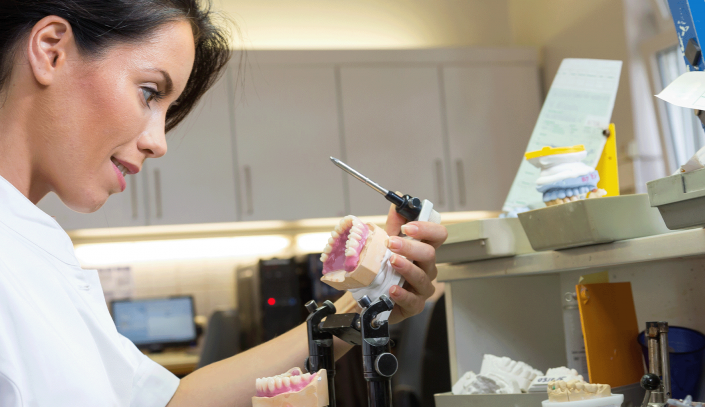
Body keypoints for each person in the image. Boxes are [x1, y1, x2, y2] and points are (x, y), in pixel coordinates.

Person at [0, 1, 448, 406]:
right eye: (150, 92)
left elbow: (169, 401)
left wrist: (366, 303)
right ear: (52, 50)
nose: (158, 143)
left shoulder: (34, 245)